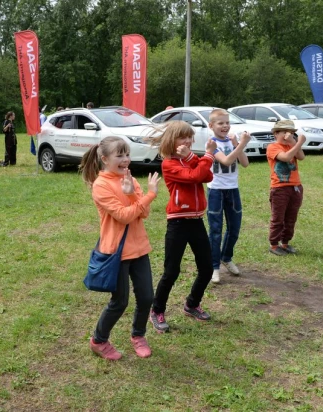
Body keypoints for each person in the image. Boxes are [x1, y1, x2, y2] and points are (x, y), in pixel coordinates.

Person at [79, 137, 160, 360]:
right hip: (116, 252)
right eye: (120, 155)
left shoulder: (130, 179)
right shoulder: (101, 185)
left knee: (146, 297)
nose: (126, 160)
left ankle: (138, 335)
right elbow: (124, 216)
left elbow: (143, 213)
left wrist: (133, 192)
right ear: (104, 159)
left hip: (139, 247)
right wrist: (150, 195)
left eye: (127, 154)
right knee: (120, 301)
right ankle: (98, 340)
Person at [148, 120, 217, 333]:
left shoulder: (190, 159)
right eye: (182, 137)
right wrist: (208, 155)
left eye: (189, 136)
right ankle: (156, 310)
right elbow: (195, 175)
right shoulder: (169, 164)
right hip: (177, 223)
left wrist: (196, 158)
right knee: (171, 271)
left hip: (196, 221)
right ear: (172, 140)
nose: (187, 140)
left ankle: (192, 304)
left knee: (206, 268)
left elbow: (208, 175)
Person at [206, 109, 251, 283]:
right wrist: (241, 144)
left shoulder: (233, 142)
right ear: (211, 126)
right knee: (216, 230)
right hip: (216, 191)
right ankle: (214, 266)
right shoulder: (211, 143)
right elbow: (225, 161)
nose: (225, 126)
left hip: (233, 190)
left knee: (234, 228)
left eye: (227, 122)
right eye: (220, 123)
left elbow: (245, 163)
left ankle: (226, 256)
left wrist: (238, 144)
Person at [266, 120, 306, 256]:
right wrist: (299, 143)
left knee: (291, 217)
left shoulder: (291, 145)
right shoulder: (273, 147)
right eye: (285, 132)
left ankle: (285, 242)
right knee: (278, 217)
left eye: (291, 133)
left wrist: (294, 143)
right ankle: (274, 244)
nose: (288, 135)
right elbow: (285, 157)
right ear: (276, 133)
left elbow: (301, 157)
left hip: (295, 187)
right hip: (279, 188)